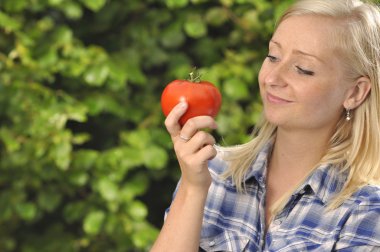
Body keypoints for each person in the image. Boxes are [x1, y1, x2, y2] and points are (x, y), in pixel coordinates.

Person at [151, 0, 380, 251]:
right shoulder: (212, 172)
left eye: (303, 69)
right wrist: (193, 190)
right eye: (273, 56)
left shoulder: (366, 211)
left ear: (355, 92)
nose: (272, 78)